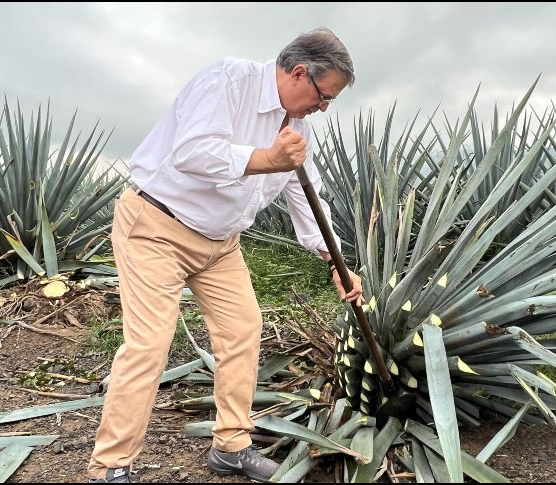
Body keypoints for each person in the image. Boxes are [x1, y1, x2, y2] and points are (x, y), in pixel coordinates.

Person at [87, 27, 362, 483]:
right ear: (299, 73)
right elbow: (191, 153)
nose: (323, 107)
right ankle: (110, 468)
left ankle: (231, 447)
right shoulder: (228, 81)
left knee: (243, 330)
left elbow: (305, 199)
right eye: (323, 95)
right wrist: (264, 159)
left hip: (221, 245)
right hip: (156, 227)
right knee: (150, 344)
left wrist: (335, 262)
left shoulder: (296, 130)